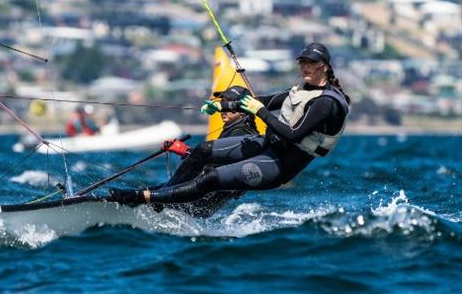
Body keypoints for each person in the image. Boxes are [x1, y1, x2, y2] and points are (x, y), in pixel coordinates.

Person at [109, 43, 350, 207]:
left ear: (325, 66)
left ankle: (147, 198)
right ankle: (162, 197)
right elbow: (263, 101)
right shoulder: (302, 90)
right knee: (204, 150)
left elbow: (292, 135)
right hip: (267, 145)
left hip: (280, 164)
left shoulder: (326, 103)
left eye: (312, 62)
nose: (306, 67)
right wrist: (223, 107)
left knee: (210, 178)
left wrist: (261, 112)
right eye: (303, 62)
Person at [150, 85, 260, 216]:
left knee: (146, 195)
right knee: (149, 191)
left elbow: (218, 165)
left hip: (201, 201)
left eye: (229, 103)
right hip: (203, 200)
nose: (224, 107)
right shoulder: (238, 129)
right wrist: (184, 151)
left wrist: (186, 151)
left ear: (243, 109)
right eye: (222, 102)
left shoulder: (240, 134)